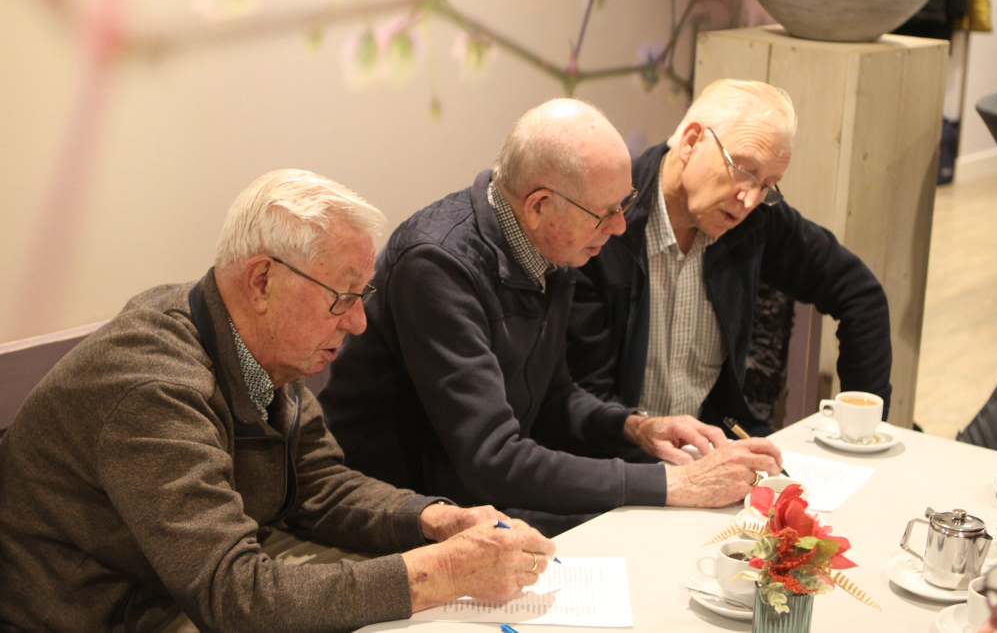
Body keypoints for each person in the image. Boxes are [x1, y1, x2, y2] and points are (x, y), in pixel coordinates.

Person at [0, 169, 555, 633]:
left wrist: (437, 520)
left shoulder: (254, 342)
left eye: (361, 296)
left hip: (176, 591)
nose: (358, 322)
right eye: (342, 298)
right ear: (263, 281)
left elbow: (318, 484)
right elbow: (236, 598)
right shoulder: (153, 390)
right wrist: (444, 573)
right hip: (102, 616)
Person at [320, 99, 783, 537]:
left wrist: (637, 427)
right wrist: (673, 483)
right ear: (540, 206)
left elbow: (554, 399)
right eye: (605, 213)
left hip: (474, 493)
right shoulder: (438, 266)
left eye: (624, 205)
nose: (620, 226)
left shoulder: (552, 246)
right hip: (397, 507)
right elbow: (492, 459)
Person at [566, 80, 893, 436]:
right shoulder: (606, 225)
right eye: (744, 170)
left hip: (718, 439)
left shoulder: (753, 221)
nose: (750, 199)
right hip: (620, 450)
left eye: (767, 185)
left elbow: (860, 293)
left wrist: (862, 433)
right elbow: (586, 400)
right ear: (691, 141)